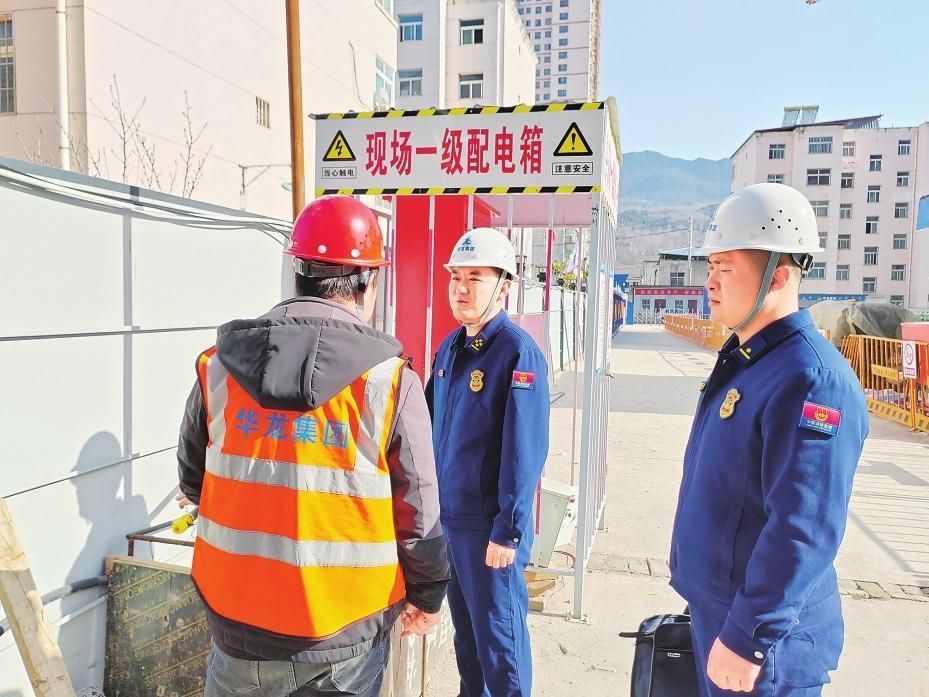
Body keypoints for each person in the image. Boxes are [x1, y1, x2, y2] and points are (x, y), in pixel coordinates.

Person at [176, 195, 449, 697]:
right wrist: (428, 594)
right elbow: (418, 513)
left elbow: (194, 479)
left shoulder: (219, 366)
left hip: (237, 621)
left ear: (296, 272)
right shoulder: (389, 382)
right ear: (367, 281)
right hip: (345, 629)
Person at [669, 183, 869, 696]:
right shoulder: (751, 360)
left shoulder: (811, 379)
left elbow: (803, 527)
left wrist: (748, 637)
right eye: (710, 265)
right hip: (723, 611)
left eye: (725, 267)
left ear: (778, 275)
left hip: (765, 645)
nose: (710, 281)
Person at [425, 228, 550, 697]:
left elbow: (524, 450)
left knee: (501, 639)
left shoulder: (517, 353)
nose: (460, 288)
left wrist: (508, 530)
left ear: (504, 286)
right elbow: (428, 426)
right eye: (455, 277)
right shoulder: (450, 348)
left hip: (489, 529)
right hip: (450, 521)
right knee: (468, 639)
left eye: (474, 278)